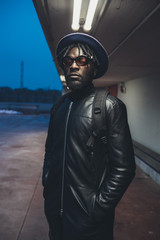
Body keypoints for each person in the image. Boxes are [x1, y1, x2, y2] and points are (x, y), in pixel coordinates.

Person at [42, 33, 136, 240]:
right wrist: (47, 186)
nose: (73, 66)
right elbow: (50, 152)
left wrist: (98, 208)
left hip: (90, 223)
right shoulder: (58, 107)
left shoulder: (109, 107)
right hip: (55, 214)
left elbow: (124, 168)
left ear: (94, 68)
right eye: (68, 61)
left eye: (81, 60)